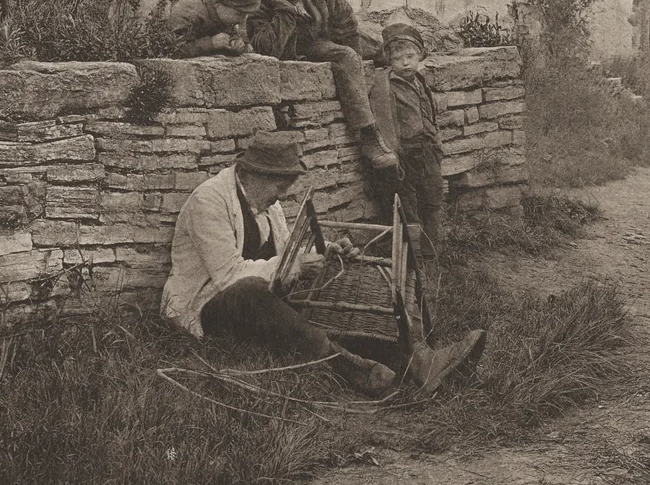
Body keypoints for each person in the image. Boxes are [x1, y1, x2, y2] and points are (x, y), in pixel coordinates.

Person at [160, 132, 487, 396]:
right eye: (280, 184)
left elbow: (287, 249)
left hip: (264, 297)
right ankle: (351, 368)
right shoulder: (210, 201)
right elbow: (225, 276)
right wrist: (298, 264)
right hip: (208, 306)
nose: (283, 194)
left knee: (328, 300)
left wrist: (326, 250)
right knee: (249, 292)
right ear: (250, 175)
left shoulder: (266, 203)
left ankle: (418, 363)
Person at [248, 0, 397, 169]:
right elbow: (269, 50)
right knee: (345, 56)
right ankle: (369, 135)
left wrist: (356, 61)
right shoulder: (260, 5)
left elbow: (345, 17)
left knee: (378, 51)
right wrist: (284, 10)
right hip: (302, 50)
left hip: (326, 37)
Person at [369, 23, 446, 258]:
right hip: (405, 155)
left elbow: (429, 115)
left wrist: (436, 143)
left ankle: (429, 252)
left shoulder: (420, 82)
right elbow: (384, 122)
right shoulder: (387, 86)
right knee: (408, 207)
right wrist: (394, 153)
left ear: (419, 56)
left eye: (411, 56)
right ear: (389, 61)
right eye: (398, 58)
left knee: (432, 200)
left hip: (428, 151)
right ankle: (412, 258)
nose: (406, 63)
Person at [168, 0, 262, 57]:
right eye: (238, 14)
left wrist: (235, 43)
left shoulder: (223, 14)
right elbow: (174, 50)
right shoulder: (189, 14)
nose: (242, 21)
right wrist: (210, 43)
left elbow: (231, 33)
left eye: (245, 15)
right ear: (216, 2)